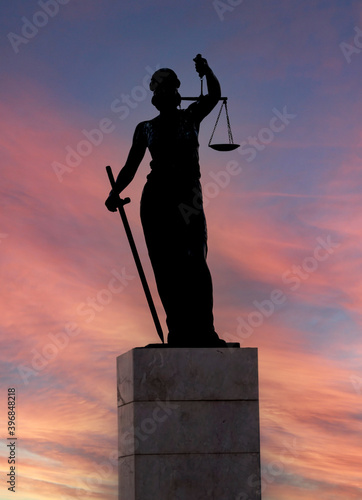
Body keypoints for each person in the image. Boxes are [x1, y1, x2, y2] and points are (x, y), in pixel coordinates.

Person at [105, 55, 226, 347]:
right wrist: (114, 192)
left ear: (177, 93)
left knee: (195, 261)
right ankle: (178, 333)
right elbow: (130, 166)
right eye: (160, 89)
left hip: (187, 196)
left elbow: (213, 94)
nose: (166, 94)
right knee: (165, 267)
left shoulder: (191, 116)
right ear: (154, 98)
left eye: (171, 88)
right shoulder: (145, 128)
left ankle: (205, 332)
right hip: (157, 199)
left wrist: (207, 71)